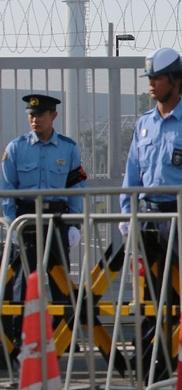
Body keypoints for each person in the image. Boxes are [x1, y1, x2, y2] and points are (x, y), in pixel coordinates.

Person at [118, 47, 182, 376]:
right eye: (149, 77)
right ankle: (151, 363)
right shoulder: (143, 125)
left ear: (176, 82)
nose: (151, 83)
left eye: (157, 77)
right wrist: (126, 213)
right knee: (150, 296)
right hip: (149, 216)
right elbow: (132, 175)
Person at [1, 94, 86, 338]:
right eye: (31, 115)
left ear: (53, 116)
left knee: (59, 279)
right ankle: (19, 336)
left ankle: (63, 336)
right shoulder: (16, 148)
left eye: (40, 115)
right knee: (22, 281)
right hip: (26, 219)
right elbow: (7, 191)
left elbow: (76, 188)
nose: (35, 119)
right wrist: (11, 224)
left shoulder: (68, 148)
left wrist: (74, 224)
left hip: (57, 220)